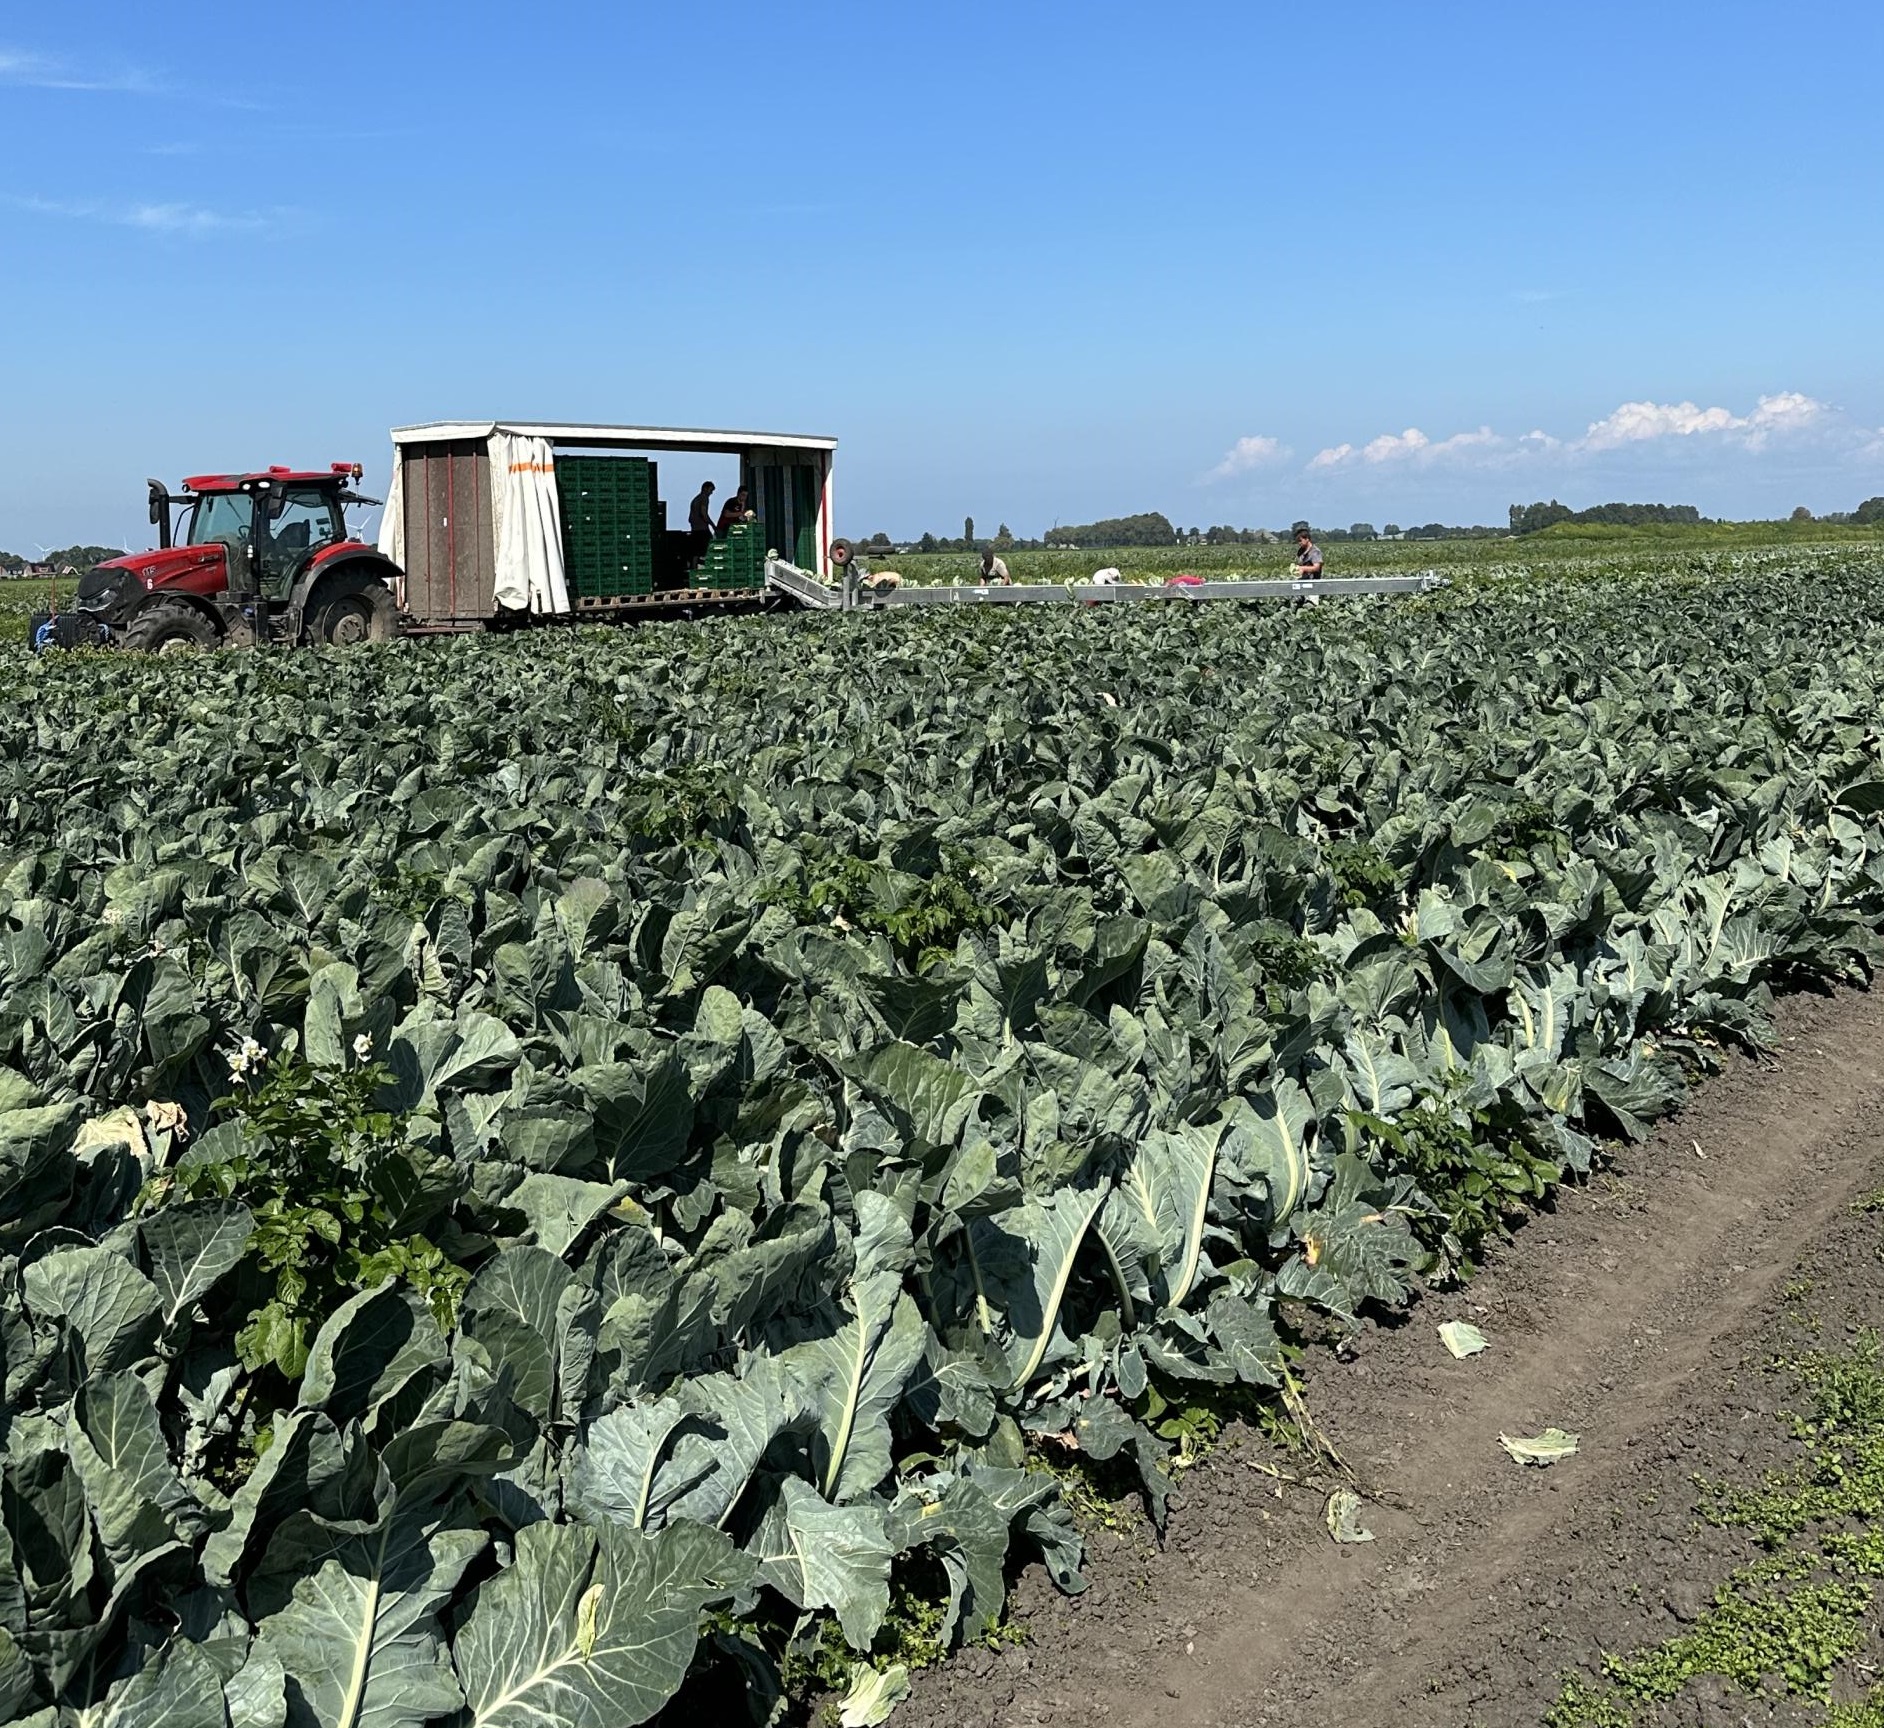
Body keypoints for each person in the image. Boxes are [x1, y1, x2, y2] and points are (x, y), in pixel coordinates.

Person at [688, 483, 716, 564]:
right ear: (705, 489)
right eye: (711, 490)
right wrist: (713, 525)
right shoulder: (704, 498)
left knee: (695, 551)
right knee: (711, 546)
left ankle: (694, 567)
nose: (711, 493)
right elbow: (704, 514)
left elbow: (690, 518)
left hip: (695, 528)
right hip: (702, 528)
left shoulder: (695, 499)